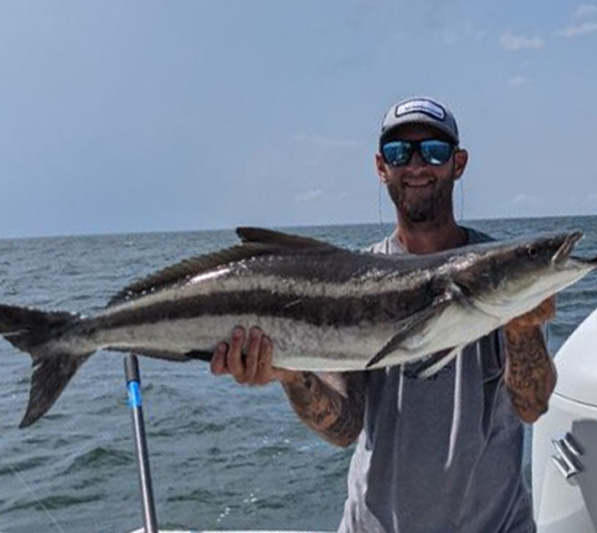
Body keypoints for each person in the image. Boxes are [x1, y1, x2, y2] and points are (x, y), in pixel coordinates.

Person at [210, 96, 556, 532]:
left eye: (433, 150)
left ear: (459, 162)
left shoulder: (499, 272)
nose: (416, 165)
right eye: (398, 153)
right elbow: (344, 427)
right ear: (380, 167)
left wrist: (523, 330)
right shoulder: (353, 282)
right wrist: (291, 373)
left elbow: (532, 405)